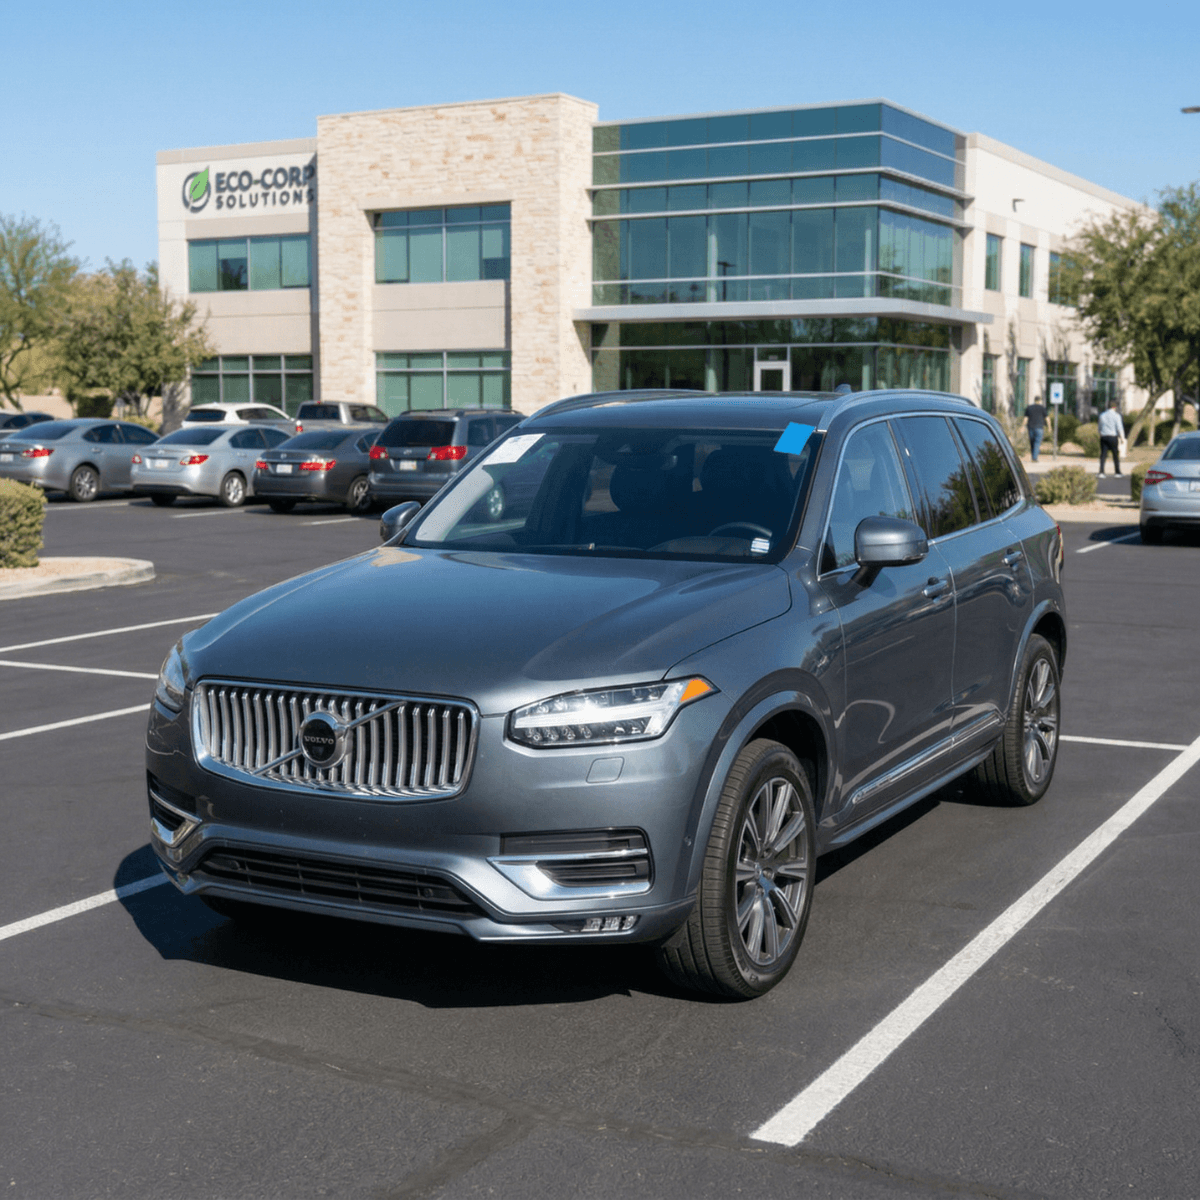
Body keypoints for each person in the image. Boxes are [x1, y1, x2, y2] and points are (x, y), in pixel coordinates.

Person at [1098, 399, 1124, 475]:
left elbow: (1099, 427)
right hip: (1113, 437)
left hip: (1104, 436)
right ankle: (1117, 472)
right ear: (1115, 406)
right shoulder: (1117, 416)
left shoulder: (1102, 415)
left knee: (1103, 455)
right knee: (1115, 455)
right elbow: (1119, 427)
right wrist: (1122, 438)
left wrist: (1100, 433)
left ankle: (1101, 472)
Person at [1025, 396, 1047, 461]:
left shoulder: (1029, 407)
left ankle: (1033, 456)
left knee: (1032, 442)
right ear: (1040, 401)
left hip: (1030, 427)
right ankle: (1034, 458)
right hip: (1039, 427)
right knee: (1037, 442)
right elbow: (1047, 418)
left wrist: (1022, 426)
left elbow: (1026, 418)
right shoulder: (1042, 408)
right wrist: (1049, 427)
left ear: (1034, 400)